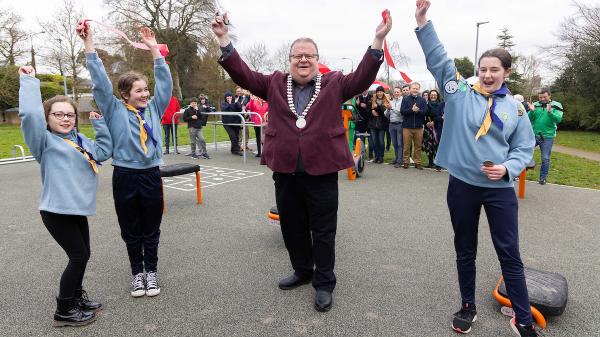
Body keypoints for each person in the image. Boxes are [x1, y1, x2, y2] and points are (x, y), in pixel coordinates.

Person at [211, 10, 391, 312]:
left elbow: (362, 77)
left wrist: (378, 40)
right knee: (291, 226)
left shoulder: (334, 82)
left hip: (321, 171)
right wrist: (223, 39)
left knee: (323, 230)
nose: (303, 60)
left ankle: (324, 282)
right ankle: (302, 270)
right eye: (297, 56)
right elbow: (242, 73)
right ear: (290, 60)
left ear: (316, 59)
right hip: (285, 170)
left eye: (309, 55)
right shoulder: (274, 83)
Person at [414, 1, 539, 336]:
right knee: (464, 249)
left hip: (500, 190)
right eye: (483, 69)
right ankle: (467, 306)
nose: (487, 74)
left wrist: (509, 168)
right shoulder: (460, 94)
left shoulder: (516, 109)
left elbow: (524, 148)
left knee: (509, 253)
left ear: (506, 73)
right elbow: (440, 61)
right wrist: (423, 22)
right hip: (463, 186)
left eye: (494, 70)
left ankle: (522, 317)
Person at [80, 23, 173, 298]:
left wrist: (154, 48)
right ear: (125, 95)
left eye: (146, 89)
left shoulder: (155, 107)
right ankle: (137, 274)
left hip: (151, 176)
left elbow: (164, 81)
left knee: (151, 229)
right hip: (124, 176)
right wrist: (89, 44)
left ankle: (152, 272)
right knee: (130, 229)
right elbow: (99, 81)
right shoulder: (114, 110)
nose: (144, 94)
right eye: (138, 91)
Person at [18, 66, 112, 327]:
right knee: (78, 257)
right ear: (47, 118)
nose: (65, 118)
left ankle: (75, 299)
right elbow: (29, 115)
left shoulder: (80, 139)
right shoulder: (44, 142)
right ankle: (63, 311)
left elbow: (103, 152)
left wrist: (99, 124)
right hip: (56, 212)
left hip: (77, 210)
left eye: (69, 114)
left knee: (84, 254)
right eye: (58, 114)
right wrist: (28, 81)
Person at [527, 88, 563, 185]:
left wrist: (550, 112)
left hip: (547, 136)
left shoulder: (556, 105)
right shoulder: (535, 104)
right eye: (540, 97)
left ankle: (542, 178)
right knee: (524, 150)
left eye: (544, 97)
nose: (542, 99)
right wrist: (531, 111)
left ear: (549, 96)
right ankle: (518, 173)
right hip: (534, 134)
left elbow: (558, 119)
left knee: (545, 158)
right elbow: (528, 118)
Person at [400, 82, 428, 169]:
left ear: (419, 89)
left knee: (418, 146)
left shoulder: (422, 100)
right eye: (413, 88)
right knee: (406, 146)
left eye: (417, 89)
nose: (415, 90)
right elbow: (402, 111)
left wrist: (418, 111)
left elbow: (425, 112)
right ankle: (405, 162)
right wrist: (411, 110)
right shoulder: (405, 99)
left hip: (419, 127)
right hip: (407, 127)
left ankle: (417, 162)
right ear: (410, 89)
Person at [369, 86, 390, 164]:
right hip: (373, 124)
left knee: (381, 141)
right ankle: (376, 156)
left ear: (383, 92)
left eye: (381, 92)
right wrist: (371, 112)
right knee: (374, 141)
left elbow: (384, 112)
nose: (379, 93)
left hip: (382, 124)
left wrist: (377, 107)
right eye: (378, 92)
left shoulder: (386, 101)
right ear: (376, 93)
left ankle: (381, 156)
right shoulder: (372, 100)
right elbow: (367, 111)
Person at [385, 86, 404, 167]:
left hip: (400, 124)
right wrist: (388, 109)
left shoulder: (403, 101)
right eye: (395, 92)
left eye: (398, 92)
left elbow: (401, 113)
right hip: (391, 124)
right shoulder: (391, 101)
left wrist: (391, 108)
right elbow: (386, 115)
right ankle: (396, 158)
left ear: (401, 92)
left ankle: (400, 161)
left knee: (400, 144)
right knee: (395, 143)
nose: (396, 93)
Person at [221, 91, 244, 155]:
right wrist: (230, 103)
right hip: (227, 123)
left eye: (230, 96)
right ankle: (237, 150)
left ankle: (233, 150)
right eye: (228, 97)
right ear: (225, 97)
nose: (229, 98)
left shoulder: (236, 102)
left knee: (236, 137)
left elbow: (239, 109)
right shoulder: (223, 103)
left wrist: (236, 103)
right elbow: (224, 109)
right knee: (233, 136)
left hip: (235, 122)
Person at [426, 89, 444, 171]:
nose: (433, 96)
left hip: (437, 127)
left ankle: (438, 162)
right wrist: (426, 123)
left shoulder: (440, 105)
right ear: (429, 96)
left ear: (437, 96)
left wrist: (434, 121)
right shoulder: (426, 104)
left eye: (435, 95)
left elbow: (439, 115)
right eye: (432, 94)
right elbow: (423, 114)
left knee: (437, 145)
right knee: (429, 146)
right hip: (428, 128)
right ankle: (430, 162)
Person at [352, 90, 373, 159]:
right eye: (363, 89)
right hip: (361, 122)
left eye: (366, 89)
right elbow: (356, 110)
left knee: (370, 139)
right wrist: (357, 105)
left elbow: (372, 108)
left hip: (369, 121)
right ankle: (362, 153)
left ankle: (370, 154)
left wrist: (366, 106)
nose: (364, 90)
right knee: (361, 138)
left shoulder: (371, 97)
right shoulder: (358, 97)